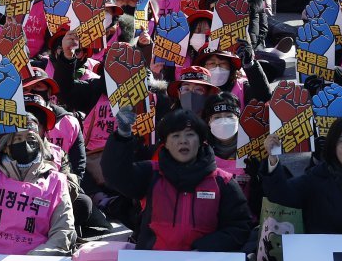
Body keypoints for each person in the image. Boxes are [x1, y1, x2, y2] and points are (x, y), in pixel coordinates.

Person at [102, 106, 253, 251]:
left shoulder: (223, 182)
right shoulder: (150, 173)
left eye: (190, 134)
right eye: (175, 135)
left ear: (201, 141)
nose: (183, 141)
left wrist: (204, 248)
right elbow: (116, 175)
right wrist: (122, 135)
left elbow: (239, 227)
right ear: (165, 144)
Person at [0, 99, 77, 256]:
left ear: (41, 144)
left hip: (33, 259)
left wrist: (33, 260)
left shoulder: (56, 181)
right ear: (7, 145)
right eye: (18, 139)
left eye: (31, 140)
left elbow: (63, 229)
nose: (25, 145)